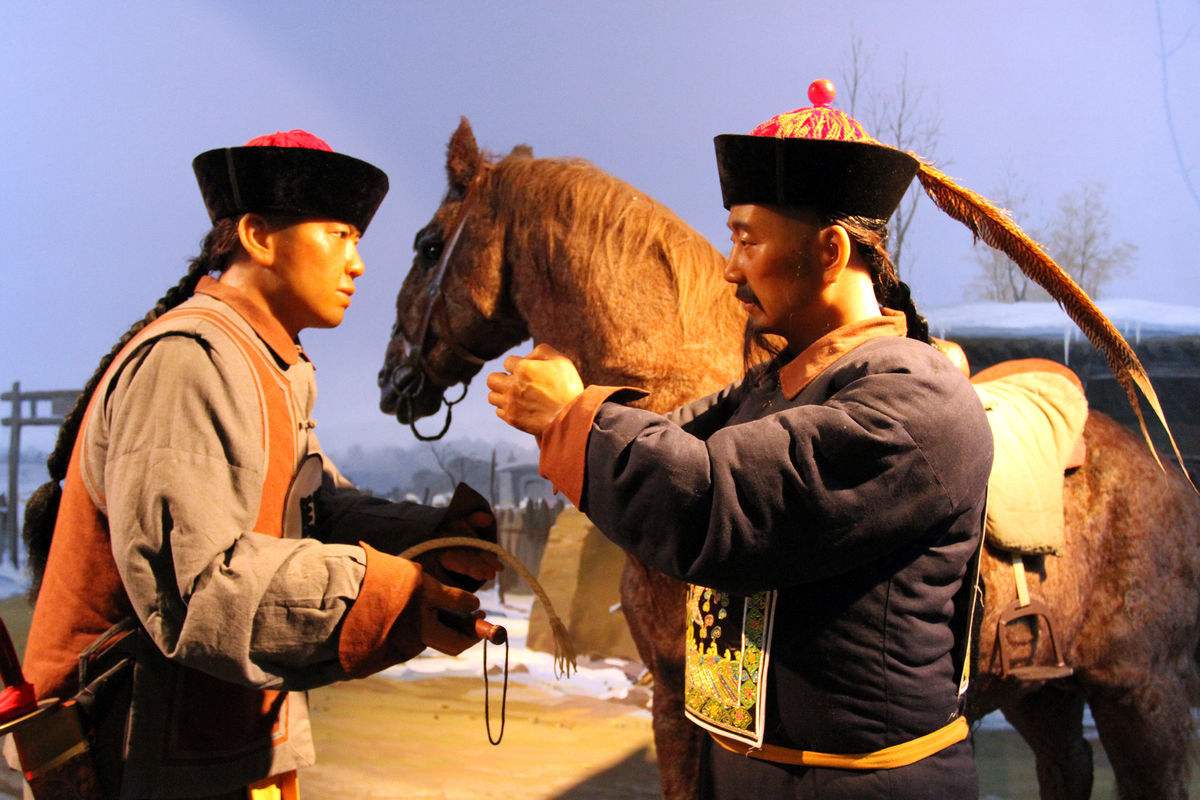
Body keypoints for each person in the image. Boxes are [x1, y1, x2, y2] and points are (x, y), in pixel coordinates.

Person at [486, 83, 994, 799]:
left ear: (828, 250)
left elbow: (715, 500)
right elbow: (671, 442)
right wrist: (578, 420)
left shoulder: (914, 400)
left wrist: (575, 418)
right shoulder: (771, 386)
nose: (730, 267)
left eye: (747, 239)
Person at [18, 130, 501, 799]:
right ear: (258, 235)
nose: (358, 263)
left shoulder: (272, 365)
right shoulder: (187, 362)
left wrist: (429, 540)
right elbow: (196, 588)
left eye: (357, 240)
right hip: (139, 754)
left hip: (223, 737)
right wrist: (389, 595)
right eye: (338, 234)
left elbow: (313, 504)